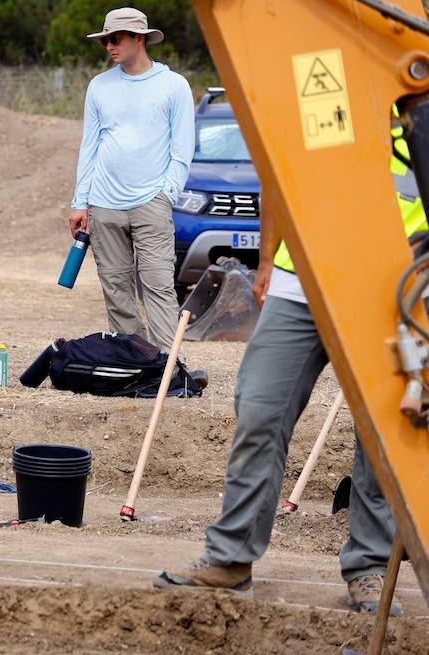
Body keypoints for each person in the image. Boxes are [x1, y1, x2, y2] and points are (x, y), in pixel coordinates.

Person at [156, 134, 421, 615]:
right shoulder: (324, 89)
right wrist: (265, 260)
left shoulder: (415, 108)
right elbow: (279, 172)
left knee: (380, 437)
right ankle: (231, 561)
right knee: (259, 410)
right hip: (300, 281)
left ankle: (369, 568)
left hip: (389, 289)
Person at [69, 7, 193, 351]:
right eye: (105, 39)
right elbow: (89, 146)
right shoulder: (99, 86)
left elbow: (183, 150)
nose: (109, 45)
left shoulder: (173, 85)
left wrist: (166, 194)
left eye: (116, 38)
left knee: (157, 284)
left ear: (139, 39)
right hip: (104, 204)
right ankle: (135, 361)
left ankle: (170, 365)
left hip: (151, 201)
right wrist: (81, 201)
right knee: (116, 287)